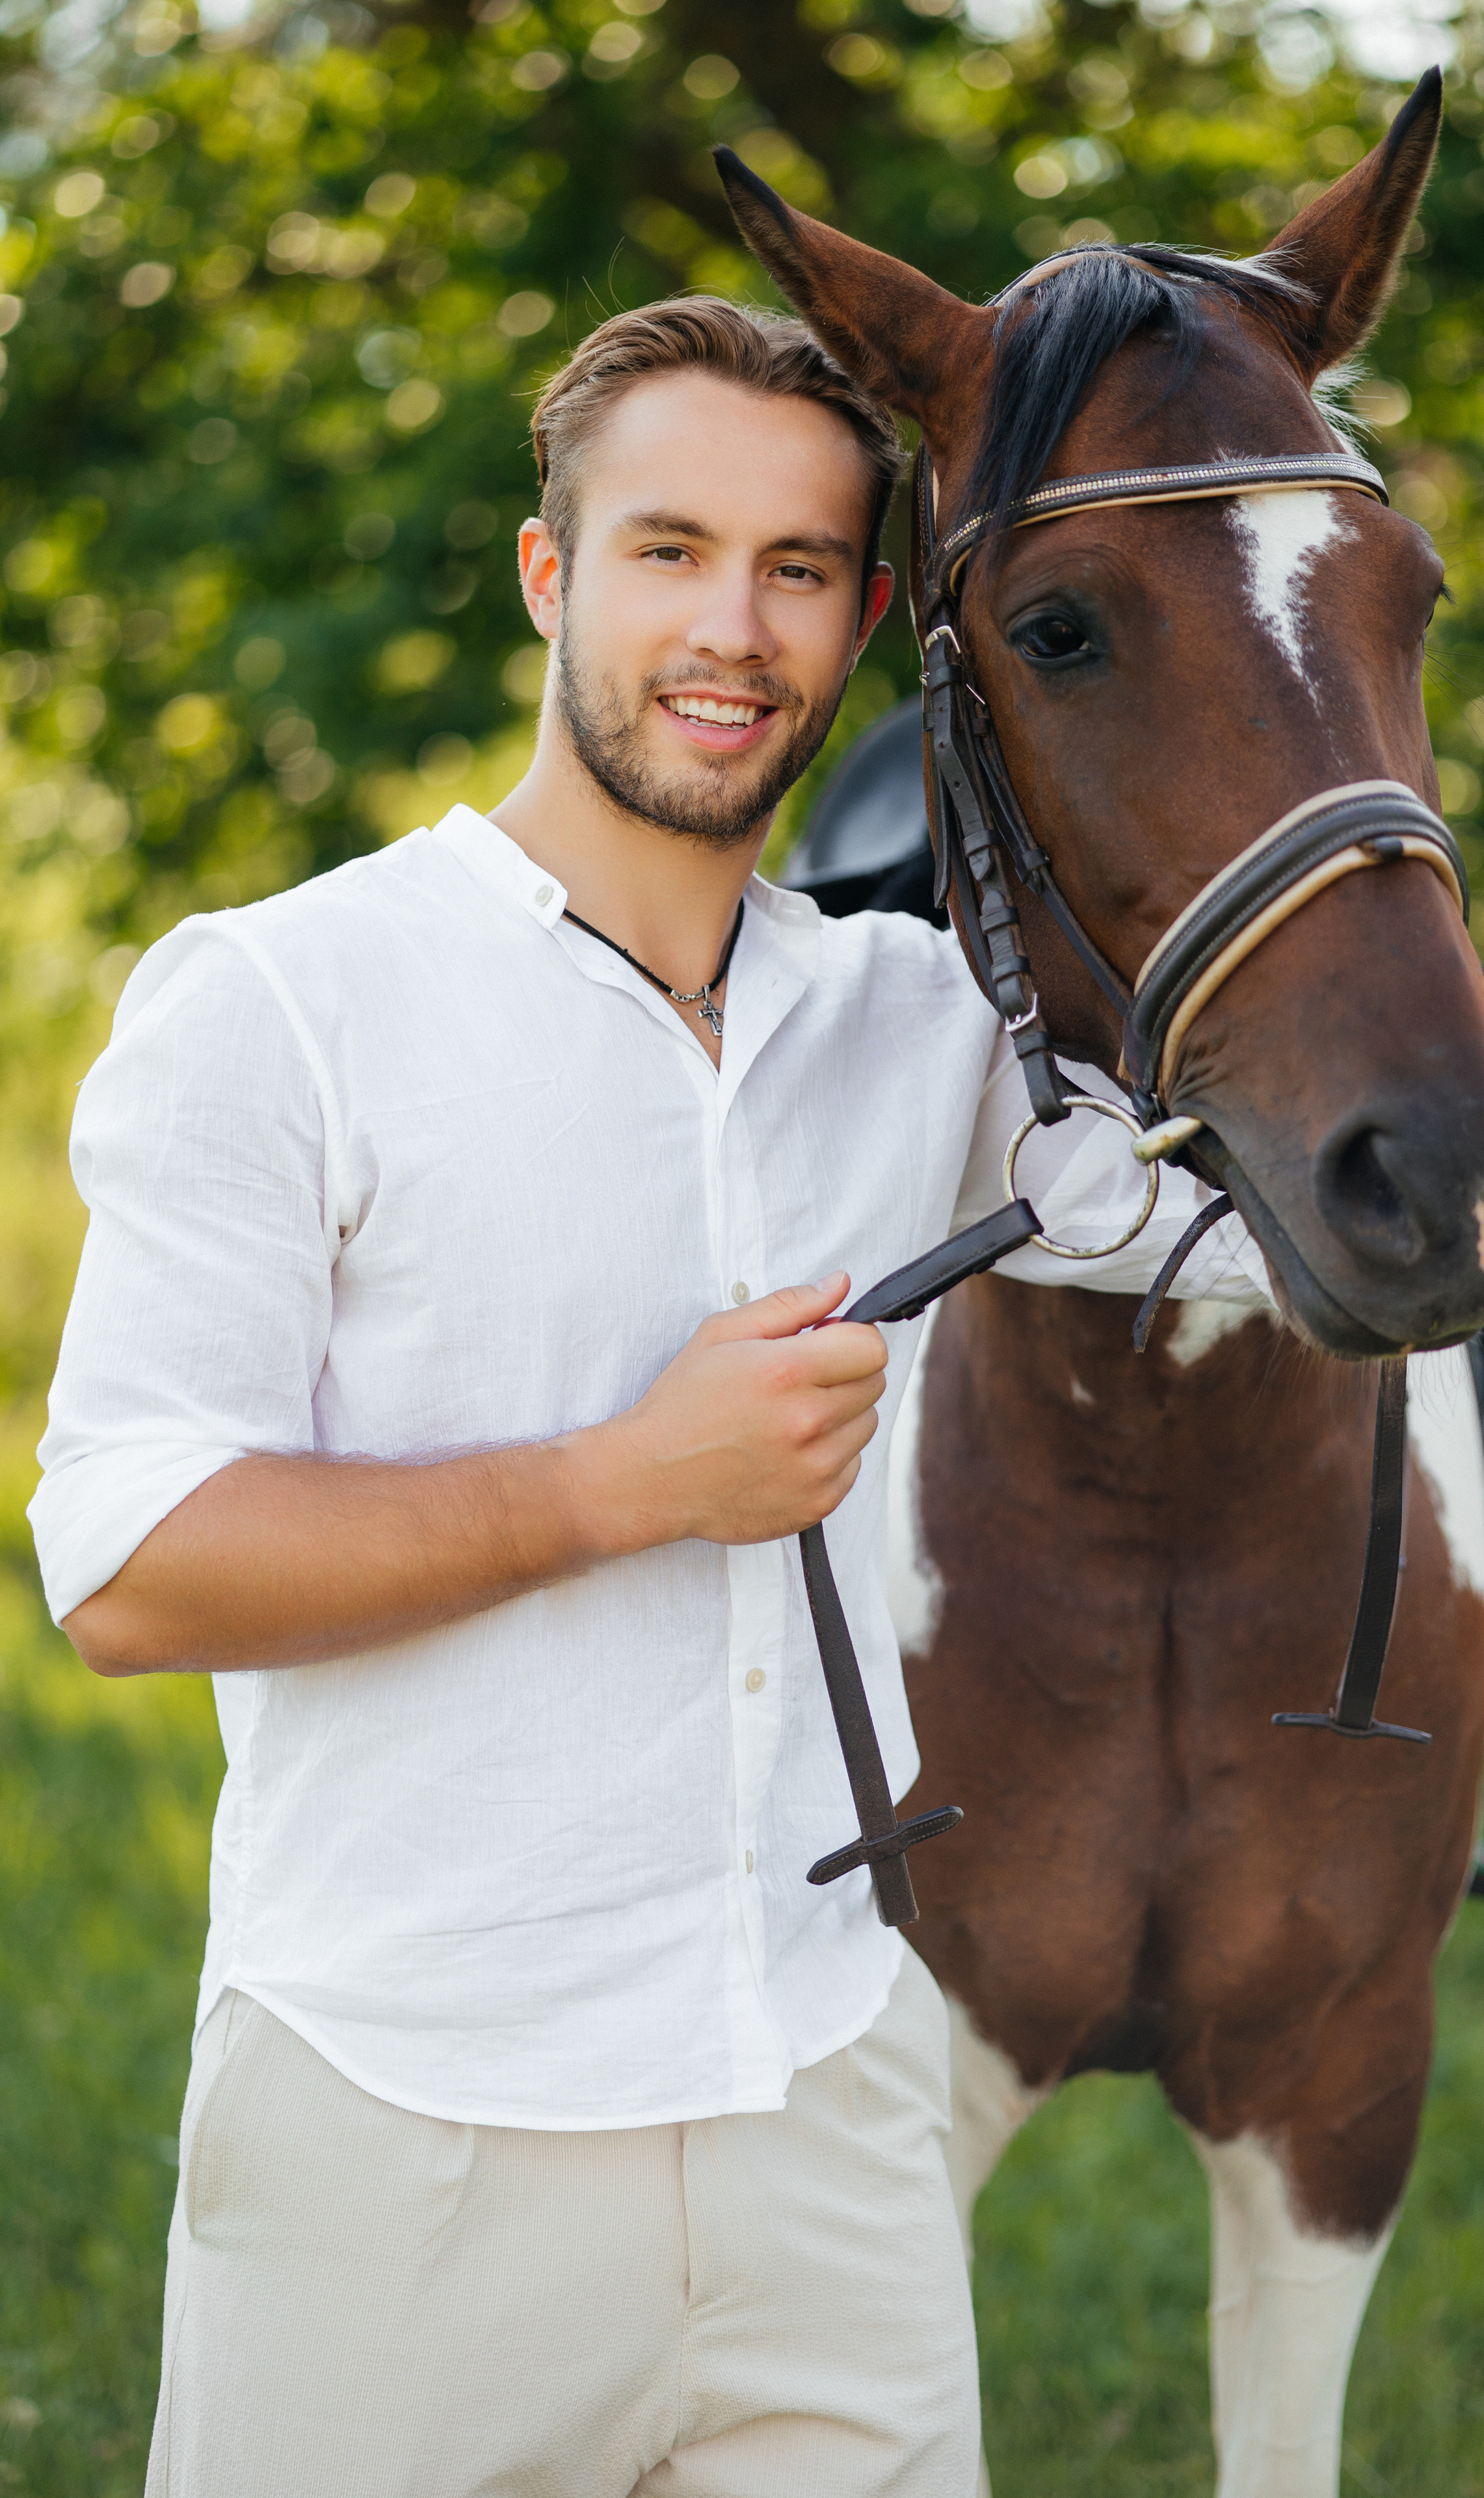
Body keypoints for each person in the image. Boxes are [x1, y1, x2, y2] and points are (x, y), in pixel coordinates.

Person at [31, 296, 1267, 2497]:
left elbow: (1282, 1224)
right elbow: (127, 1569)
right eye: (669, 550)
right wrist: (622, 1481)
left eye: (798, 569)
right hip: (413, 2134)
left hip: (832, 2099)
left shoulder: (917, 1023)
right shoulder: (282, 1002)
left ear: (869, 622)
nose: (732, 628)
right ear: (550, 573)